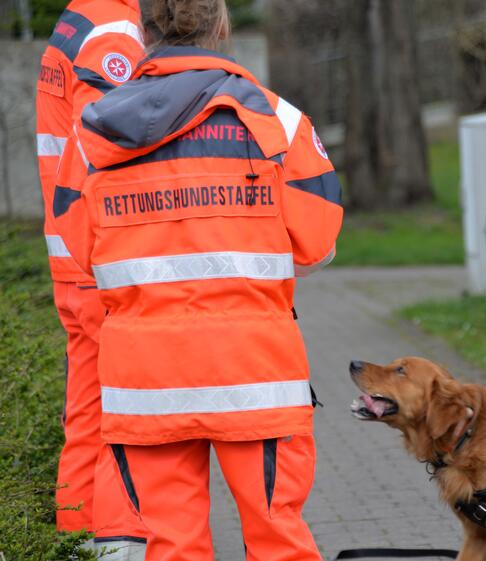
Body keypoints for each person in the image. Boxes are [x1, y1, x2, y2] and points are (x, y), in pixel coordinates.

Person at [54, 0, 343, 558]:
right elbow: (318, 243)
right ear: (221, 25)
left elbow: (79, 250)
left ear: (142, 31)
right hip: (255, 375)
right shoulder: (276, 121)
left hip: (145, 383)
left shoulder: (91, 131)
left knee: (172, 544)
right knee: (278, 540)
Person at [35, 0, 148, 555]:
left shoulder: (82, 15)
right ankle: (119, 545)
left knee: (87, 412)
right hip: (103, 258)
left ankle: (75, 540)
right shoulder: (114, 30)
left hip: (75, 257)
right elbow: (107, 143)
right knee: (126, 420)